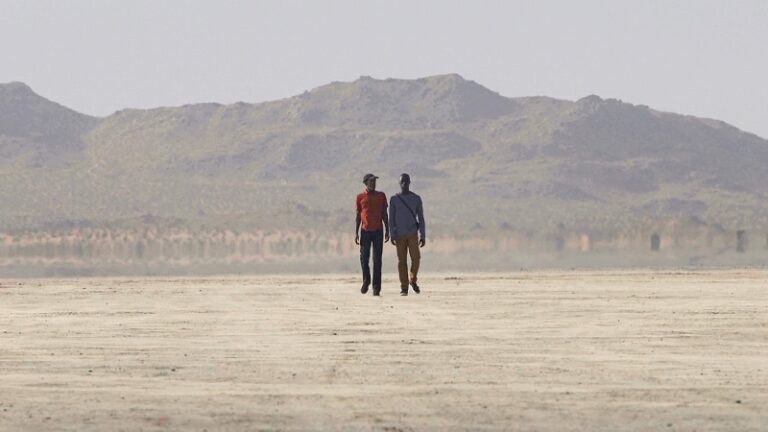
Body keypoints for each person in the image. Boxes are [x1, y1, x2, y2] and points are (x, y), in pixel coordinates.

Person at [389, 173, 426, 296]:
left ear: (410, 183)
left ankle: (412, 279)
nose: (404, 184)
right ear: (399, 184)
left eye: (406, 181)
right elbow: (391, 219)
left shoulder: (416, 198)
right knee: (401, 261)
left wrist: (423, 235)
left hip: (412, 234)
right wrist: (392, 233)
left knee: (416, 258)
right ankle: (404, 287)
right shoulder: (394, 199)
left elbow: (421, 218)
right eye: (402, 182)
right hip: (399, 235)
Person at [355, 173, 389, 296]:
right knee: (364, 258)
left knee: (377, 260)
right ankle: (366, 279)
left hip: (378, 231)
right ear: (366, 183)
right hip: (365, 231)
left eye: (375, 181)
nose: (374, 183)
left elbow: (385, 213)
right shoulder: (360, 197)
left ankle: (376, 287)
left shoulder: (381, 196)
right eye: (371, 181)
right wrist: (356, 233)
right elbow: (358, 216)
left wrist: (387, 229)